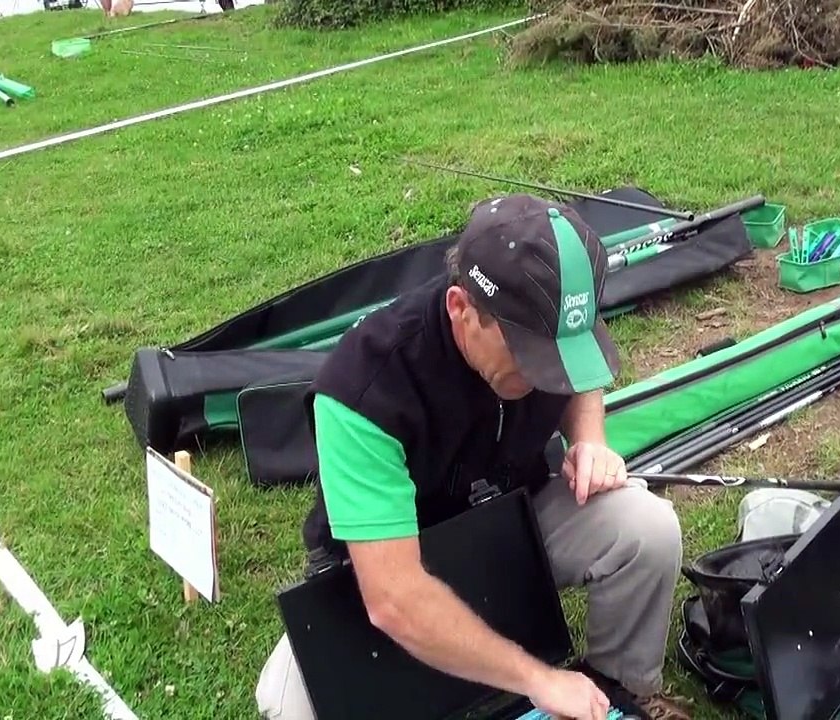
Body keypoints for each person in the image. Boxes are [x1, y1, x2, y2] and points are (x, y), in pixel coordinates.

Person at [255, 193, 692, 720]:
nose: (548, 376)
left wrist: (589, 438)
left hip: (509, 529)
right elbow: (393, 596)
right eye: (532, 356)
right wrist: (538, 678)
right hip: (397, 562)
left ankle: (617, 692)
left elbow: (582, 372)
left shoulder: (552, 321)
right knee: (289, 703)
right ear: (461, 308)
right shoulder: (362, 392)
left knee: (645, 527)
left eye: (563, 353)